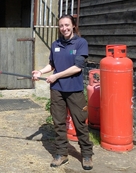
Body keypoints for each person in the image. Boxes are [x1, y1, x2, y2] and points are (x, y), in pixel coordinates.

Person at [32, 14, 93, 170]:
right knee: (59, 123)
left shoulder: (80, 43)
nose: (64, 28)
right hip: (57, 90)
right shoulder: (55, 44)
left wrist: (56, 76)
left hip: (74, 90)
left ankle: (86, 154)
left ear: (73, 25)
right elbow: (52, 65)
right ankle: (62, 153)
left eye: (67, 25)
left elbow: (77, 67)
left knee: (80, 123)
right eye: (61, 26)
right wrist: (40, 72)